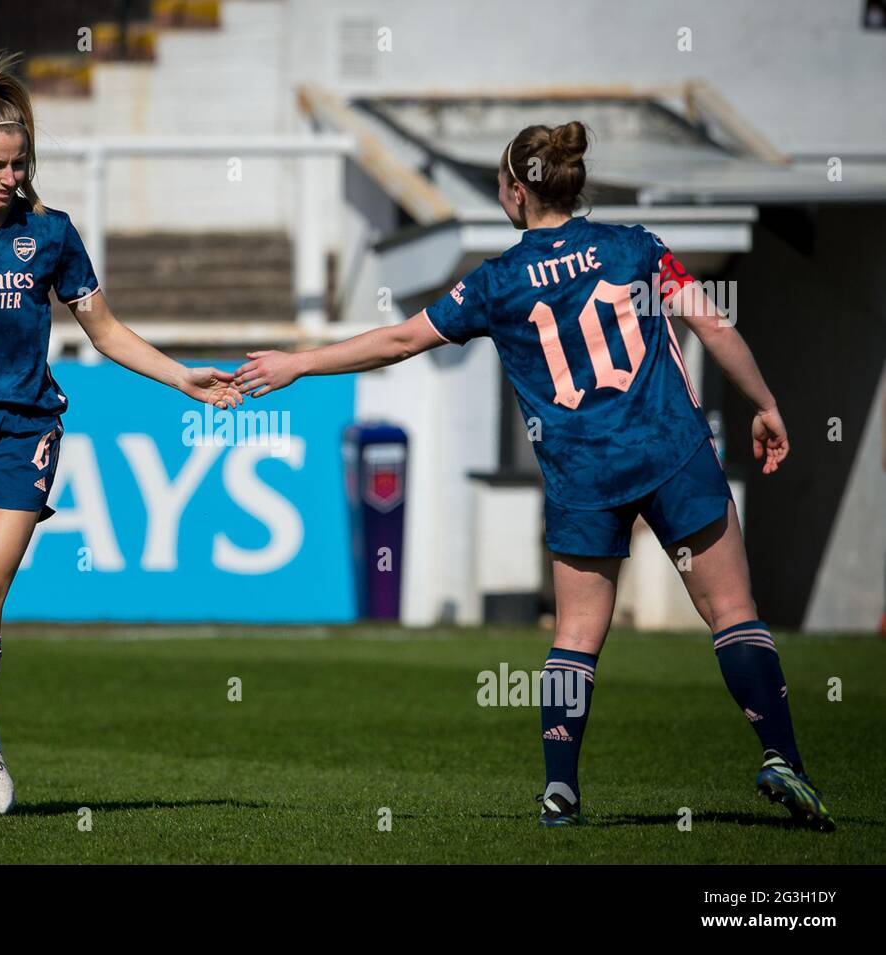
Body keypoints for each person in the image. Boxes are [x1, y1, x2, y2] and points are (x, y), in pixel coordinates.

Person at [234, 121, 834, 831]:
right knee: (733, 613)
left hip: (582, 472)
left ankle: (561, 790)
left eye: (499, 183)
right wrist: (765, 403)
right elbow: (715, 328)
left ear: (517, 192)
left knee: (576, 636)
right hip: (671, 451)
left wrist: (298, 362)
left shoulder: (495, 283)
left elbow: (399, 340)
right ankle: (780, 757)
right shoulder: (634, 248)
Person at [0, 50, 242, 819]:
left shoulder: (52, 235)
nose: (9, 178)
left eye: (19, 163)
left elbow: (106, 331)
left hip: (23, 429)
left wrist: (182, 374)